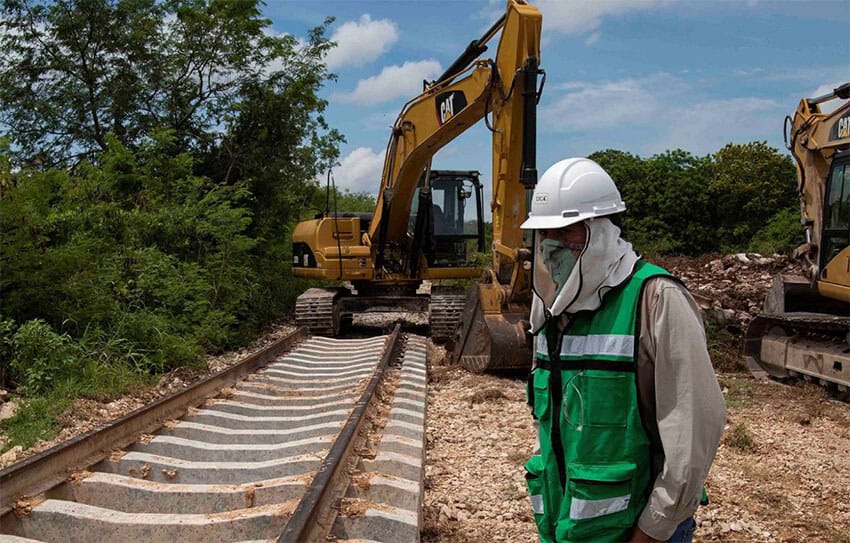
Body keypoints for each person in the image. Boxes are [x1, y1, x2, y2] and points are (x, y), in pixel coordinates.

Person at [520, 158, 726, 543]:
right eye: (544, 233)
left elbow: (693, 433)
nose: (551, 246)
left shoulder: (656, 300)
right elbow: (549, 421)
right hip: (571, 528)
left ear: (599, 232)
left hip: (642, 533)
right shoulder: (548, 312)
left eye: (565, 232)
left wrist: (653, 529)